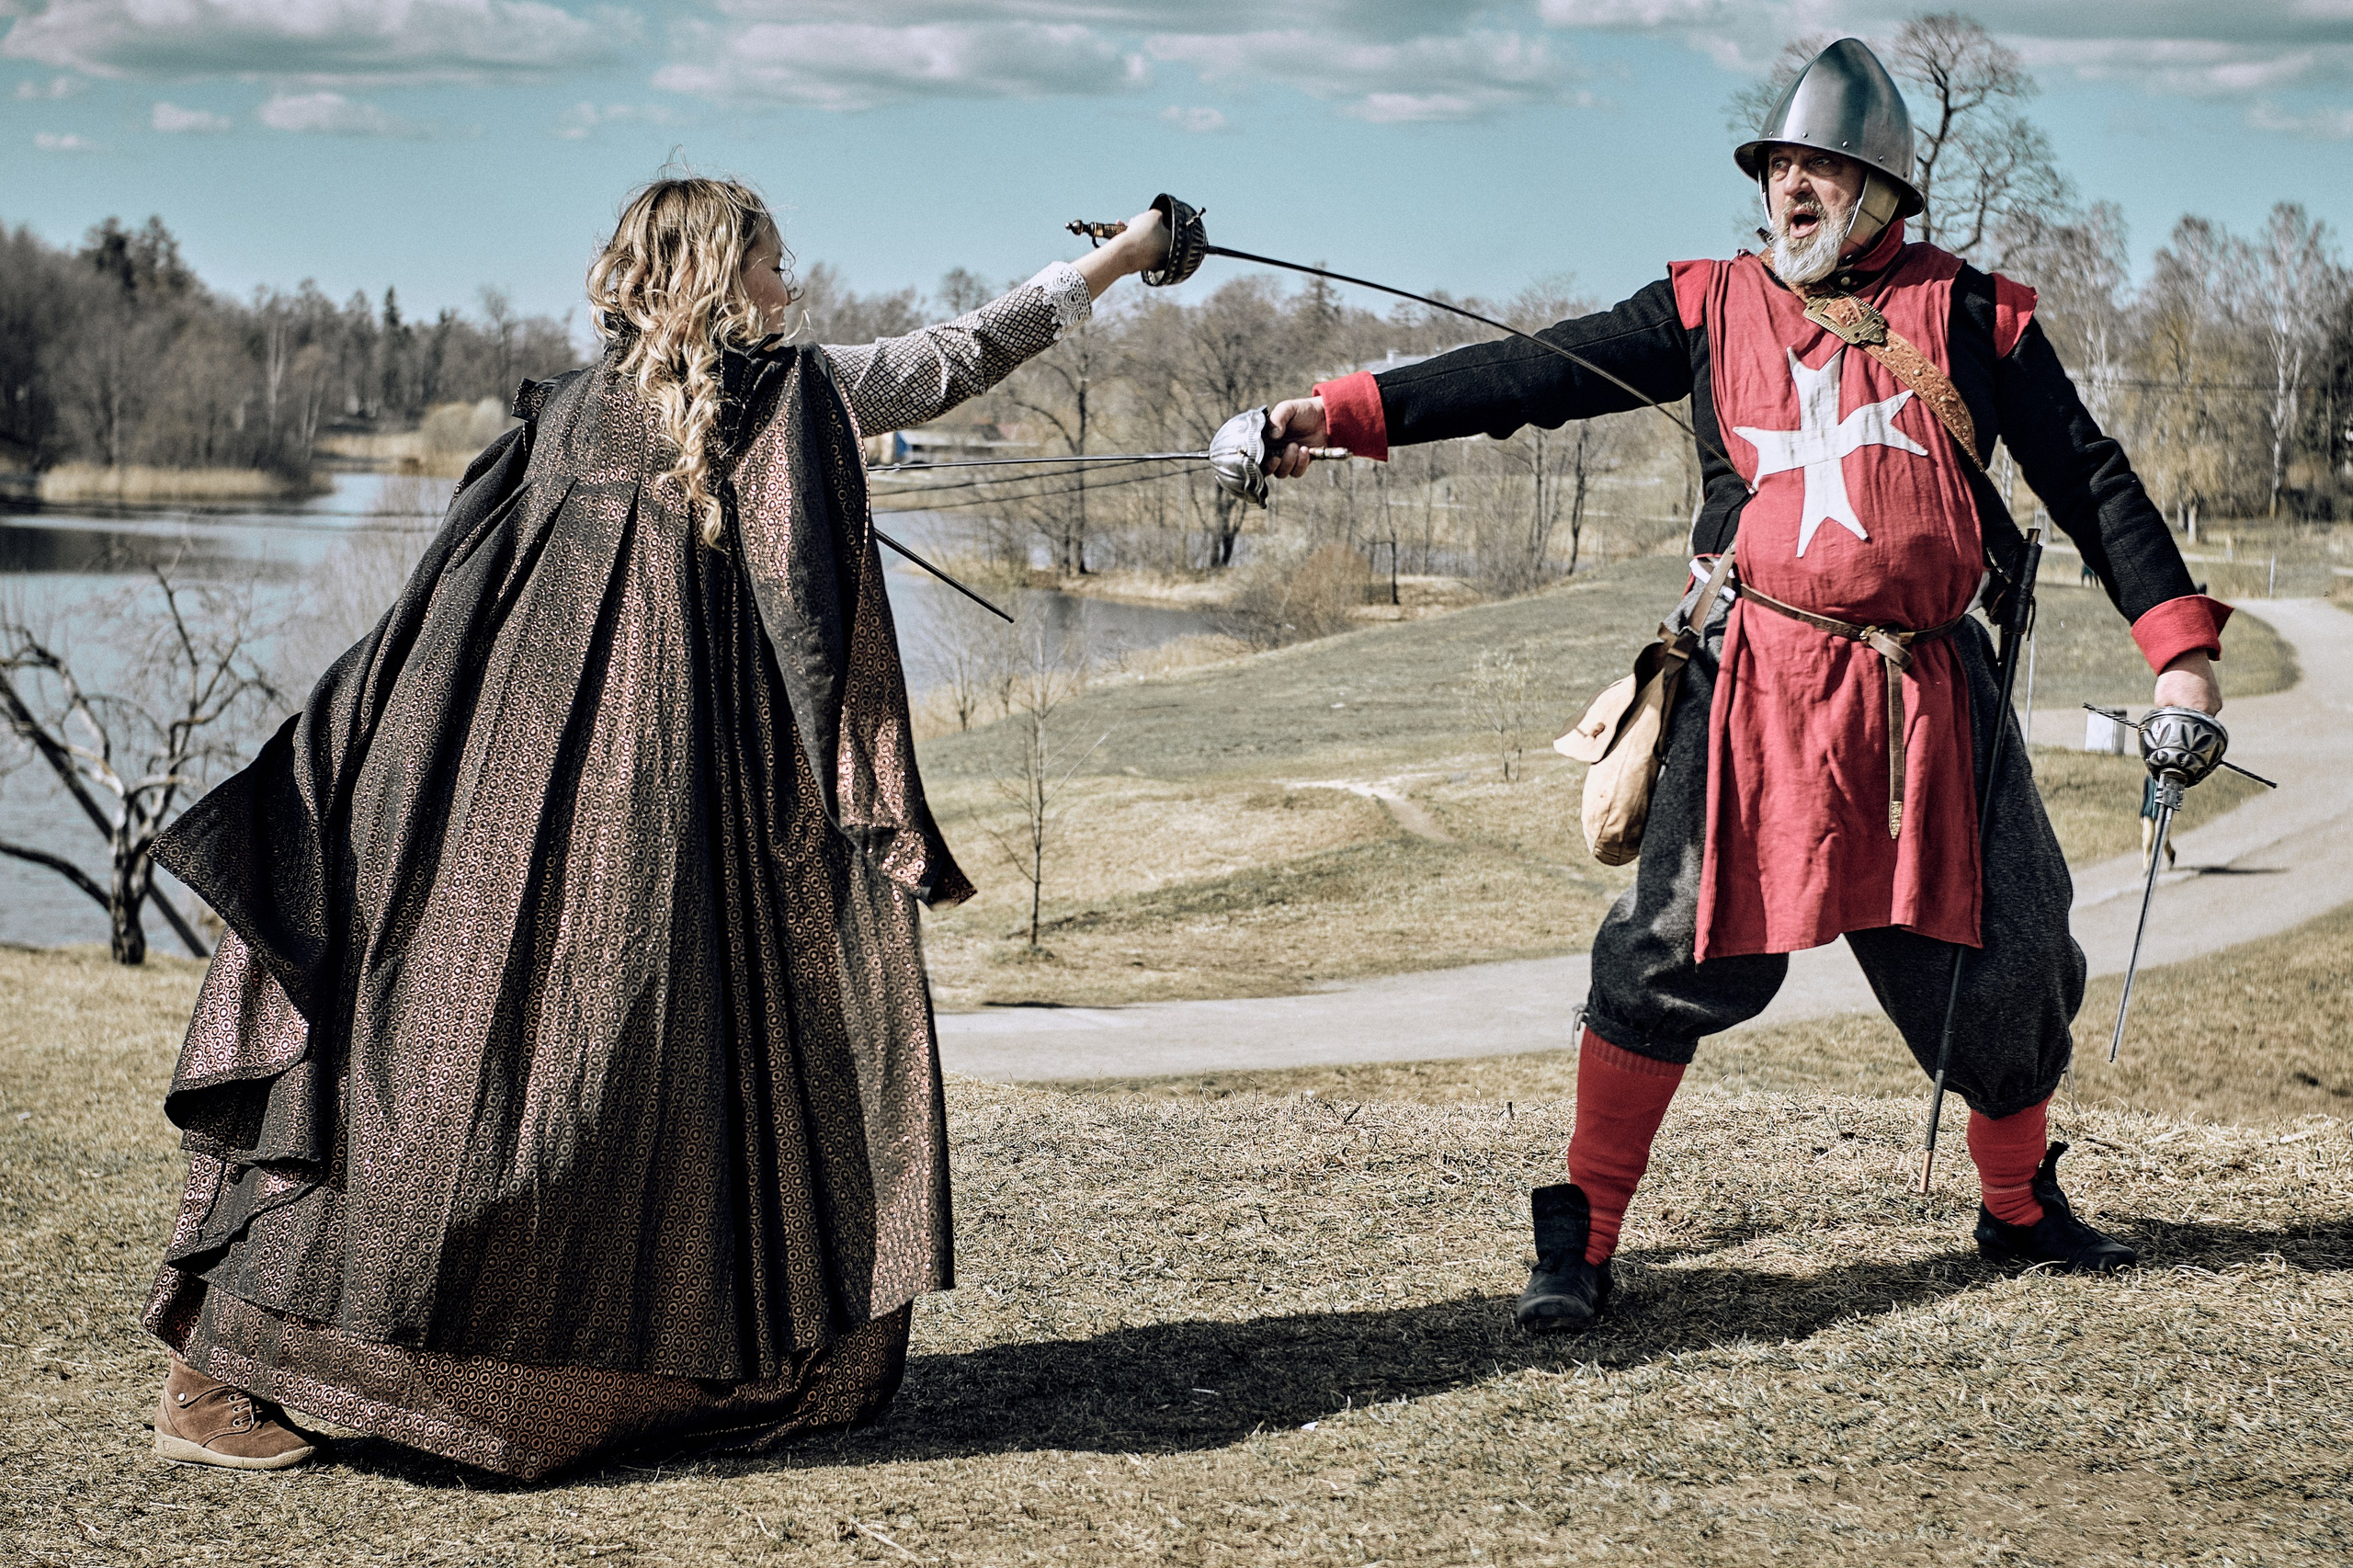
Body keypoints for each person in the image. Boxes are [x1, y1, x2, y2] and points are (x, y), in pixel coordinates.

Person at [142, 177, 1169, 1474]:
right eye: (777, 266)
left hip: (585, 814)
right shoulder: (779, 397)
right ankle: (246, 1366)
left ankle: (271, 1362)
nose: (792, 288)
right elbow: (949, 359)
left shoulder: (566, 415)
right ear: (720, 281)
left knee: (506, 1074)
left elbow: (451, 605)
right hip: (634, 822)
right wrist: (1121, 259)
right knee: (565, 1079)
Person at [1253, 39, 2228, 1330]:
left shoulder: (1973, 317)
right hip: (1753, 685)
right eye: (1779, 168)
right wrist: (1338, 411)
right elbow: (1531, 372)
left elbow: (2089, 478)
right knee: (1668, 950)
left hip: (1933, 695)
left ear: (1883, 188)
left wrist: (2186, 661)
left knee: (2015, 951)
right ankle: (1584, 1231)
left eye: (1822, 168)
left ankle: (2016, 1206)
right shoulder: (1708, 304)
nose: (1792, 190)